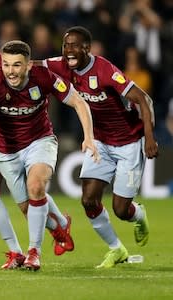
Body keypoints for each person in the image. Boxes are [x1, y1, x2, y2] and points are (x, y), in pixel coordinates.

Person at [0, 40, 99, 271]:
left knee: (36, 186)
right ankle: (60, 225)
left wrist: (89, 137)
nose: (11, 71)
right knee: (26, 208)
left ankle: (34, 252)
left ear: (29, 65)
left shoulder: (43, 77)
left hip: (39, 141)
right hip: (5, 150)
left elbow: (79, 102)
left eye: (16, 65)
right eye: (6, 65)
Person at [41, 26, 158, 268]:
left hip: (129, 143)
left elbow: (144, 100)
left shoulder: (104, 70)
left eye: (74, 45)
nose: (68, 50)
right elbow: (30, 64)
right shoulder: (62, 65)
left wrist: (149, 138)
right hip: (101, 143)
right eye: (65, 45)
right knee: (88, 200)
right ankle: (116, 250)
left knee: (120, 209)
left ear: (87, 48)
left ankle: (138, 215)